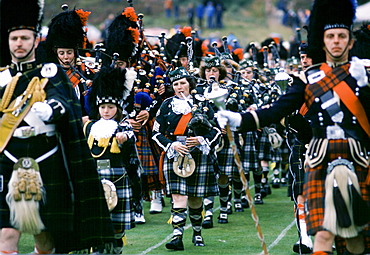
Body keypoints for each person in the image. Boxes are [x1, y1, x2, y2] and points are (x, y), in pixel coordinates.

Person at [217, 0, 370, 254]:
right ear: (323, 42)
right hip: (321, 156)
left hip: (357, 158)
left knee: (356, 241)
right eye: (330, 36)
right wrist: (239, 120)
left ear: (350, 42)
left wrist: (365, 87)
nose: (336, 41)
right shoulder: (308, 79)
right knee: (322, 235)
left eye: (342, 36)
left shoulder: (361, 74)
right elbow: (276, 110)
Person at [0, 0, 114, 253]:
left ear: (34, 41)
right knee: (6, 234)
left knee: (44, 234)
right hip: (8, 154)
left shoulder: (49, 72)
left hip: (46, 155)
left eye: (25, 38)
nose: (19, 43)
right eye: (14, 38)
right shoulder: (2, 77)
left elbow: (64, 100)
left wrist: (52, 109)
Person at [152, 67, 221, 250]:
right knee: (178, 197)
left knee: (195, 199)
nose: (179, 87)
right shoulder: (167, 104)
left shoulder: (203, 102)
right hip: (176, 154)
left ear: (190, 84)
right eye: (175, 84)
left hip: (198, 153)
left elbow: (217, 129)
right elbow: (156, 132)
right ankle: (177, 236)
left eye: (182, 83)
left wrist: (201, 139)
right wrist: (171, 145)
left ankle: (197, 233)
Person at [84, 66, 139, 254]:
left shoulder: (123, 126)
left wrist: (125, 139)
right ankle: (99, 250)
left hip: (117, 177)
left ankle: (116, 250)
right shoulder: (89, 127)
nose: (106, 111)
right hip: (94, 177)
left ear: (117, 108)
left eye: (110, 107)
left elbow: (131, 143)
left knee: (116, 223)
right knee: (97, 220)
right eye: (103, 107)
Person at [44, 5, 93, 119]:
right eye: (61, 53)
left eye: (69, 52)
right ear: (56, 53)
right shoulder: (50, 75)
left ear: (75, 52)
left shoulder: (88, 72)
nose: (66, 57)